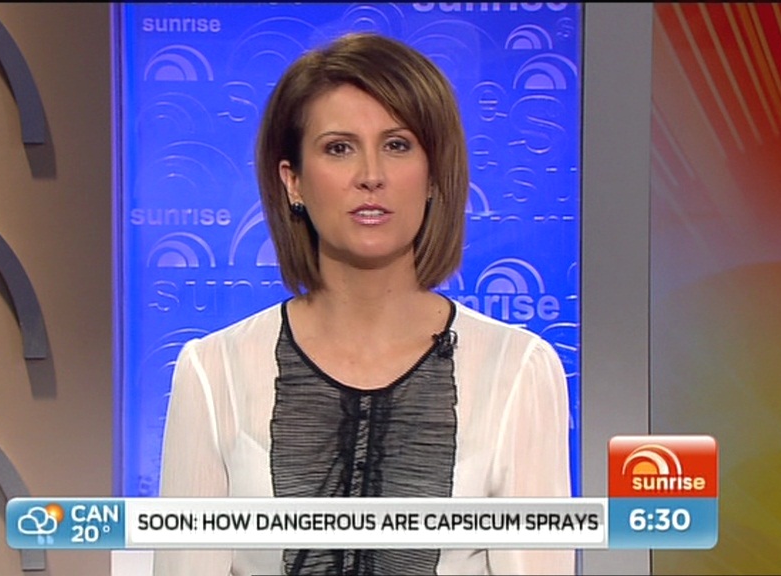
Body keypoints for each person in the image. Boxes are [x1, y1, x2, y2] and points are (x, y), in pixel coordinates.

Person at [153, 31, 573, 576]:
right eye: (339, 148)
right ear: (293, 182)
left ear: (432, 175)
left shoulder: (517, 370)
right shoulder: (214, 372)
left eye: (397, 145)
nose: (371, 176)